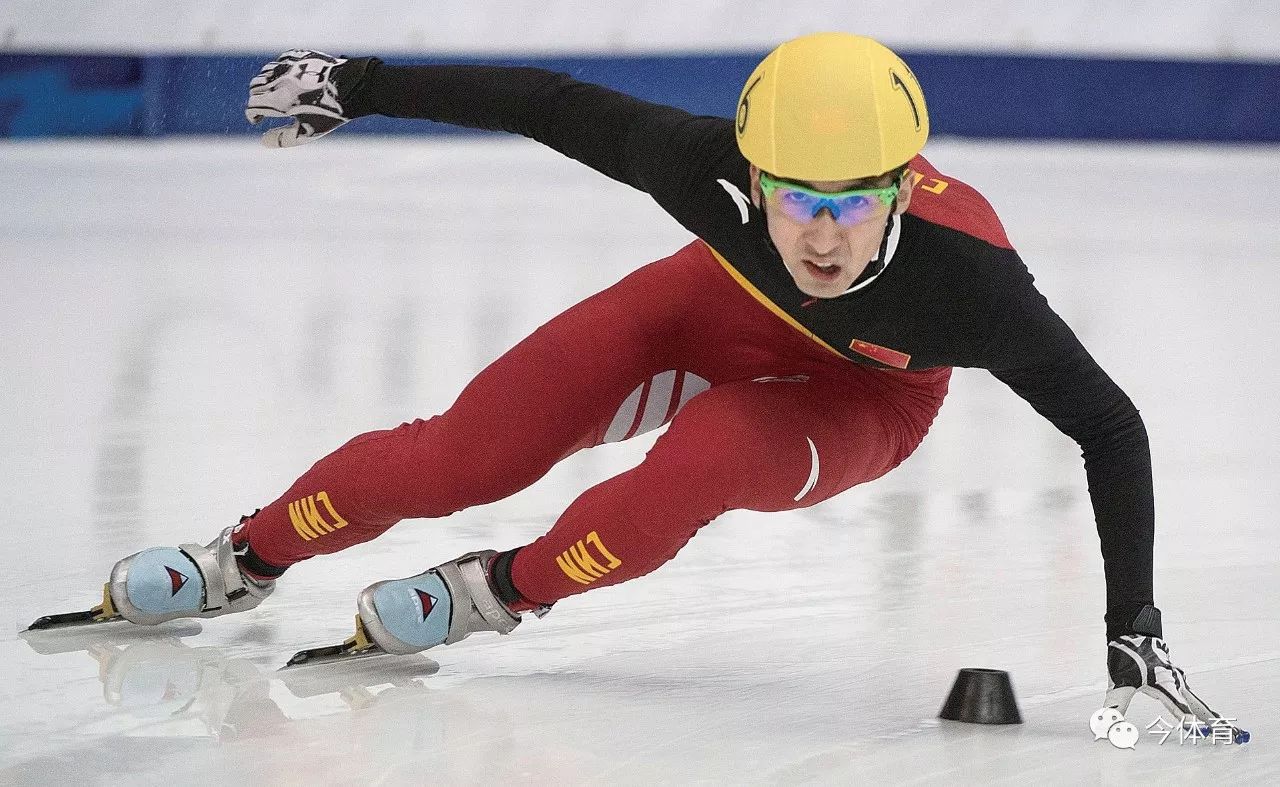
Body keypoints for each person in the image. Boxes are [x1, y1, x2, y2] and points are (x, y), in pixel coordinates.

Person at [88, 33, 1240, 733]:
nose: (822, 235)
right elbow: (548, 105)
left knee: (700, 462)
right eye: (793, 197)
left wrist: (1130, 626)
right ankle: (243, 559)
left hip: (862, 399)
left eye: (850, 203)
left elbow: (1108, 425)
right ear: (751, 175)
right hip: (707, 307)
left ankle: (502, 588)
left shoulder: (972, 287)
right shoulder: (705, 174)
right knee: (461, 456)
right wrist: (361, 82)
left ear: (899, 189)